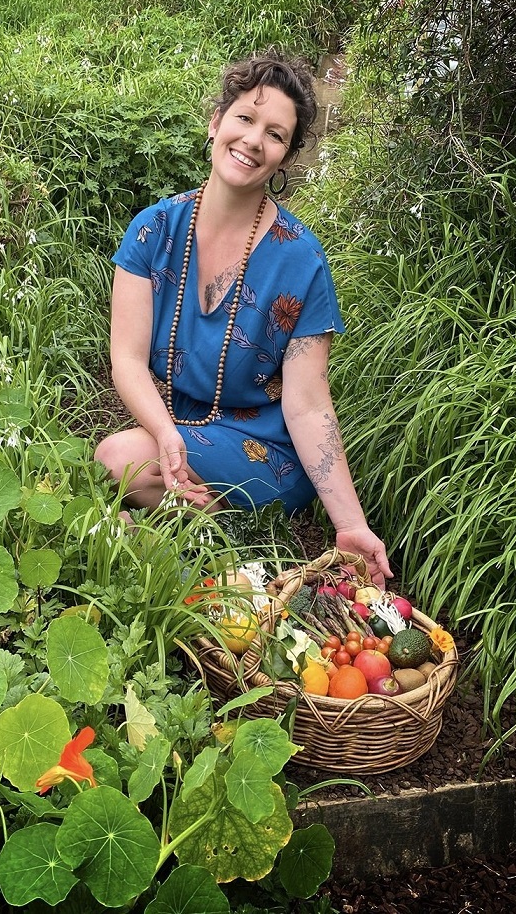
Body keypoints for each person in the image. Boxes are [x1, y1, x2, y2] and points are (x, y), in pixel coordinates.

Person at [94, 50, 391, 588]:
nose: (254, 140)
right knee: (125, 459)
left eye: (276, 134)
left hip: (269, 445)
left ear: (284, 157)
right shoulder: (151, 231)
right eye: (246, 119)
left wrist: (350, 525)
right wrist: (164, 432)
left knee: (117, 457)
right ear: (216, 123)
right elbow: (128, 360)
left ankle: (200, 531)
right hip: (184, 426)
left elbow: (308, 405)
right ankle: (196, 528)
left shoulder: (301, 261)